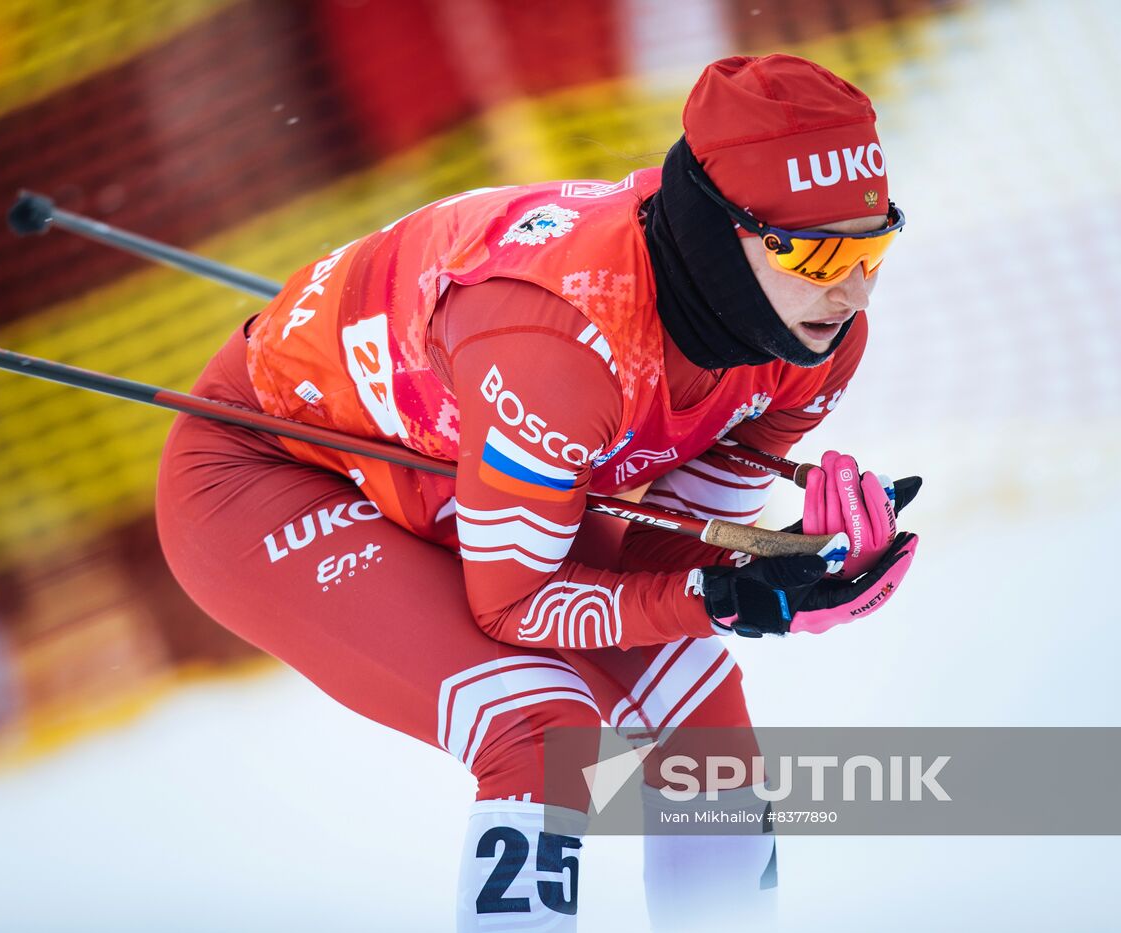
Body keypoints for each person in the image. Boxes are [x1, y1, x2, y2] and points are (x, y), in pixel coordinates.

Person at [155, 54, 920, 931]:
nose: (855, 289)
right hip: (272, 470)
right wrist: (722, 595)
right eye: (821, 254)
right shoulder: (561, 349)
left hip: (462, 451)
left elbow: (658, 557)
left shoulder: (811, 335)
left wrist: (787, 563)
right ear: (723, 234)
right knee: (543, 728)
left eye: (873, 246)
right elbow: (516, 608)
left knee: (703, 717)